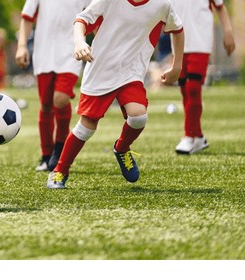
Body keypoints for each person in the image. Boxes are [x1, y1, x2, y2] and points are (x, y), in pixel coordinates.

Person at [47, 0, 185, 189]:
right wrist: (79, 42)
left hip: (131, 72)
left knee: (138, 117)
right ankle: (59, 171)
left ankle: (121, 148)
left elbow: (177, 29)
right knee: (87, 127)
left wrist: (176, 66)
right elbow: (81, 20)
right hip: (100, 70)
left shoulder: (162, 4)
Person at [16, 0, 91, 172]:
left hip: (72, 50)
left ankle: (60, 149)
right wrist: (21, 46)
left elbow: (95, 14)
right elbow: (27, 17)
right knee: (46, 105)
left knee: (61, 99)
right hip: (44, 53)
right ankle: (46, 155)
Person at [171, 0, 235, 155]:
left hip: (201, 42)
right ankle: (198, 136)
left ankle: (189, 135)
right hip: (179, 42)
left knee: (193, 88)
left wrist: (228, 31)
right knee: (184, 90)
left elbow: (220, 7)